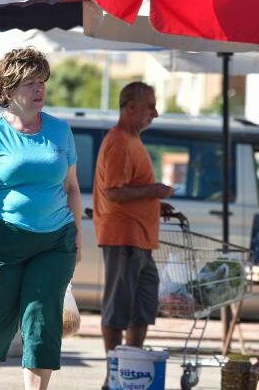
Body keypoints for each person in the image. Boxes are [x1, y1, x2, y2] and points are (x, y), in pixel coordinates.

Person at [0, 47, 82, 390]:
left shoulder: (60, 131)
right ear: (9, 88)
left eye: (41, 81)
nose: (38, 89)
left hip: (55, 240)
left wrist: (76, 234)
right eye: (30, 82)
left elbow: (72, 187)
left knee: (43, 322)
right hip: (1, 241)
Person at [92, 81, 174, 389]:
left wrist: (155, 201)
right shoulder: (119, 141)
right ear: (130, 108)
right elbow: (114, 192)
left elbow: (129, 190)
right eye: (150, 106)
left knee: (143, 307)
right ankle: (114, 375)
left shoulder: (132, 141)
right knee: (117, 309)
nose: (155, 112)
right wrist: (154, 191)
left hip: (140, 238)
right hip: (122, 237)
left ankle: (130, 368)